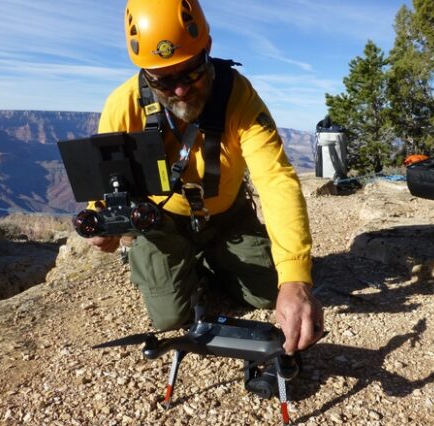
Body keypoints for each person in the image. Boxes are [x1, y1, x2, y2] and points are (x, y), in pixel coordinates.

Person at [88, 0, 323, 355]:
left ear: (208, 49)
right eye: (164, 79)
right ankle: (164, 261)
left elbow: (276, 181)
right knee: (169, 318)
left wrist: (295, 279)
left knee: (267, 294)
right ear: (145, 71)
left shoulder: (238, 97)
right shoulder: (123, 106)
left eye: (191, 72)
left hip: (228, 217)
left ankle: (204, 260)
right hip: (163, 223)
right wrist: (104, 219)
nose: (180, 90)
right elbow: (110, 181)